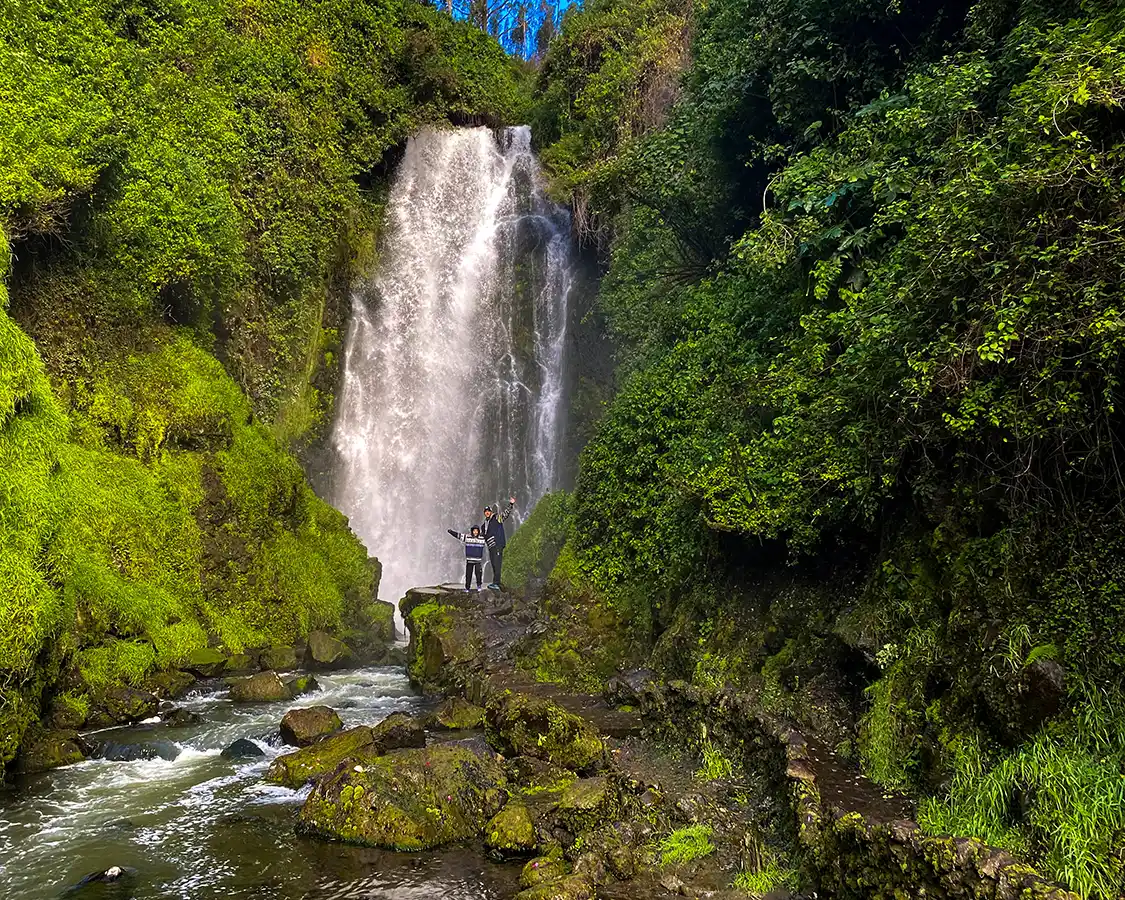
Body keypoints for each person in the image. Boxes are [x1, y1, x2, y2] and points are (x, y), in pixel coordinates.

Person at [481, 496, 516, 589]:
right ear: (484, 513)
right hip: (490, 547)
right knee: (493, 564)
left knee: (497, 563)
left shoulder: (496, 518)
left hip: (497, 544)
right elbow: (482, 536)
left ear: (491, 512)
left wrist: (511, 504)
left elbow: (505, 515)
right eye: (486, 512)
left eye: (488, 511)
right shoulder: (484, 525)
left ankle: (496, 583)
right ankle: (497, 582)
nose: (487, 513)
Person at [447, 525, 488, 591]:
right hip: (469, 560)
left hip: (478, 560)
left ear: (478, 531)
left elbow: (490, 536)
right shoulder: (467, 537)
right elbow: (458, 535)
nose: (475, 532)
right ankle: (467, 588)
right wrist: (451, 532)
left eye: (476, 531)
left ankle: (479, 586)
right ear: (472, 531)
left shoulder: (482, 538)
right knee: (468, 574)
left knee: (478, 574)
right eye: (474, 531)